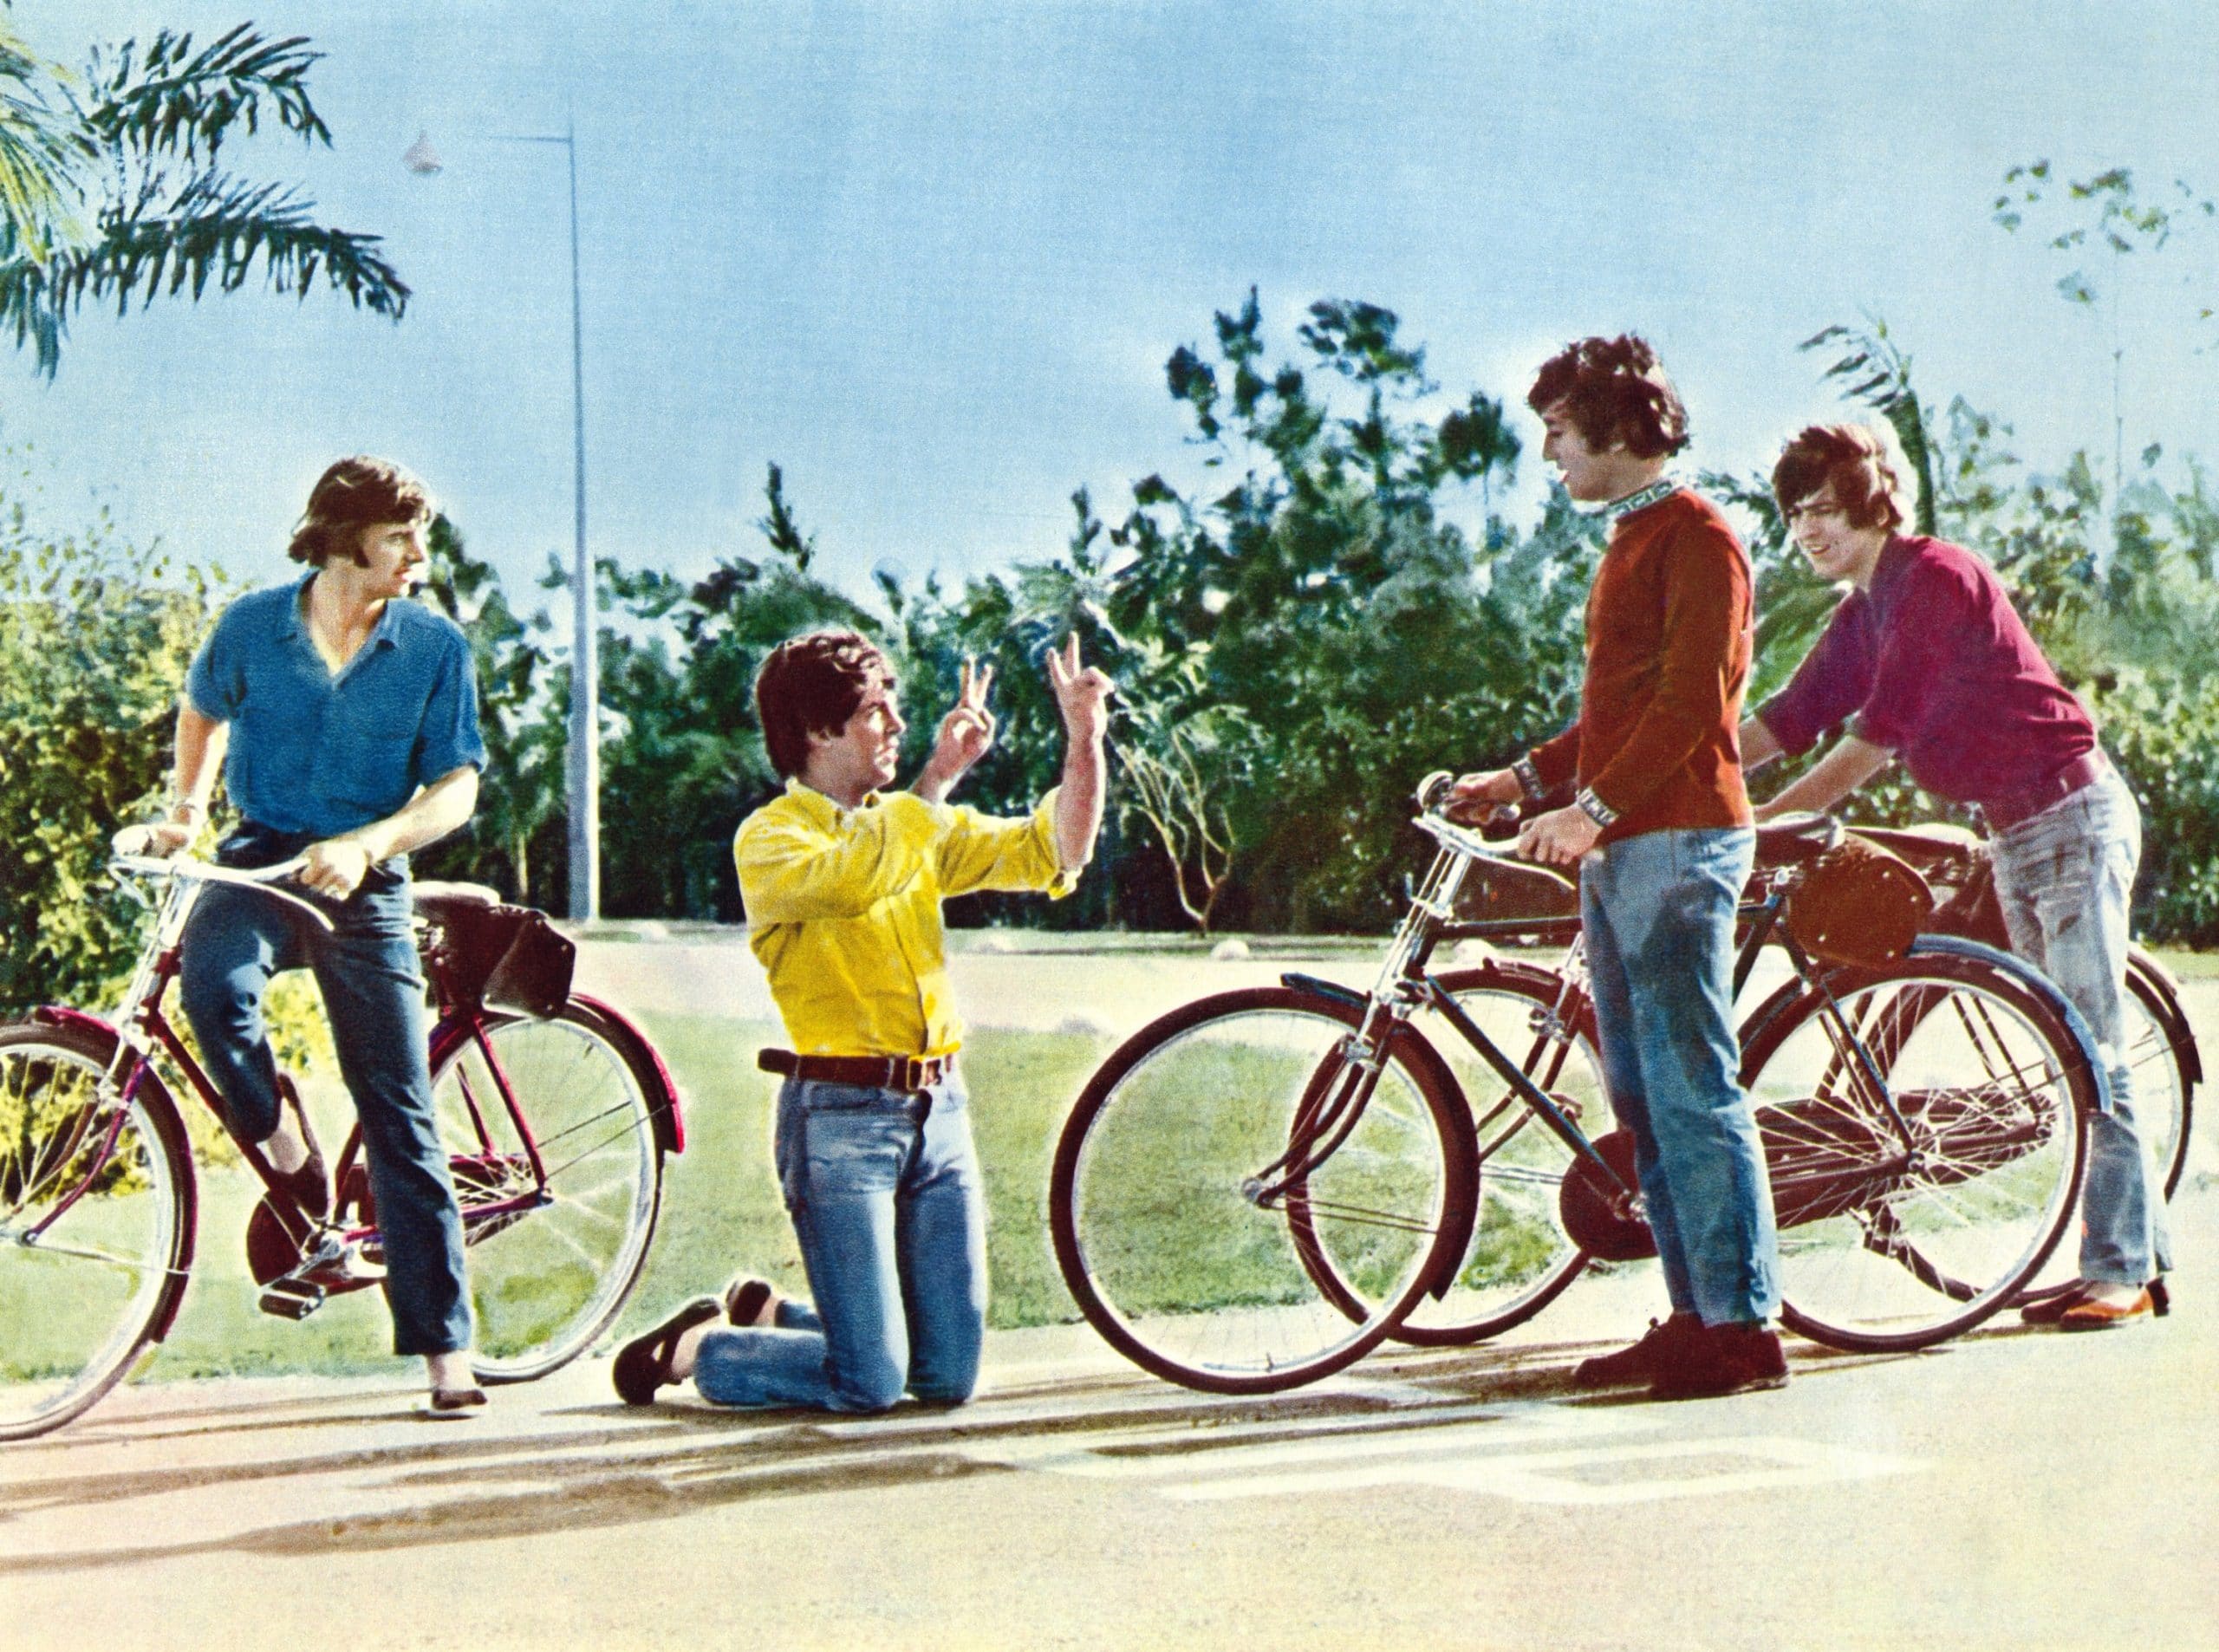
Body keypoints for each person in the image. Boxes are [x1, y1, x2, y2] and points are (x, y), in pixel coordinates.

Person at [615, 629, 1110, 1412]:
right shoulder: (772, 839)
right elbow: (855, 878)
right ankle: (699, 1346)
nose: (898, 726)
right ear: (817, 731)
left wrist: (1084, 741)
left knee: (946, 1379)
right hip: (838, 1125)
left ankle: (774, 1316)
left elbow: (1055, 848)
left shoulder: (913, 825)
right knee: (869, 1383)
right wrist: (939, 780)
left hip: (940, 1114)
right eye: (876, 711)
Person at [1743, 421, 2166, 1329]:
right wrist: (1682, 784)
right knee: (2063, 1045)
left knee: (2087, 1045)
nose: (1805, 530)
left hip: (2070, 816)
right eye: (1792, 514)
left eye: (1821, 507)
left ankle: (2120, 1271)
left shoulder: (1934, 577)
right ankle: (2129, 1256)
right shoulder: (1866, 609)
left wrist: (1767, 823)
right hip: (2012, 833)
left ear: (1868, 500)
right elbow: (1788, 718)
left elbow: (1878, 733)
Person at [1448, 335, 1785, 1400]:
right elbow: (1616, 715)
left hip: (1679, 840)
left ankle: (1744, 1329)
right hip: (1627, 837)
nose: (1547, 453)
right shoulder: (1634, 537)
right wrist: (1523, 778)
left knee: (1692, 1084)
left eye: (1556, 431)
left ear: (1617, 429)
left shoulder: (1698, 537)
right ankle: (1695, 1315)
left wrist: (1587, 810)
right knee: (1643, 1095)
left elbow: (1693, 705)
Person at [158, 456, 490, 1415]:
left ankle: (444, 1351)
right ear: (347, 540)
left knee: (398, 1108)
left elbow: (456, 785)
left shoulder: (433, 647)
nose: (419, 555)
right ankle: (299, 1167)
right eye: (400, 537)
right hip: (259, 857)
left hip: (367, 879)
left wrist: (371, 843)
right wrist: (184, 812)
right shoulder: (254, 626)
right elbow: (203, 709)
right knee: (211, 994)